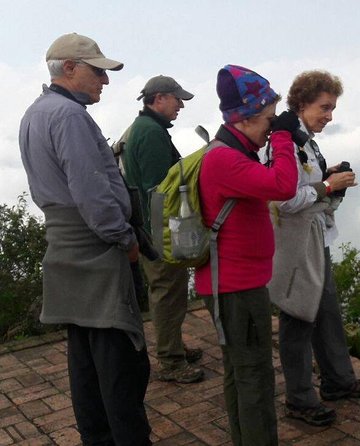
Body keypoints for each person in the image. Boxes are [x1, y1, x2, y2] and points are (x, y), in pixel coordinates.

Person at [18, 33, 151, 445]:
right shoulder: (70, 116)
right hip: (97, 249)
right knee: (121, 368)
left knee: (86, 365)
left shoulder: (35, 113)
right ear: (70, 68)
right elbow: (93, 194)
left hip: (63, 250)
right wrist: (125, 240)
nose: (105, 82)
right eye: (98, 72)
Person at [194, 64, 299, 446]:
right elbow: (283, 185)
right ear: (247, 118)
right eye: (268, 120)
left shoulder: (235, 152)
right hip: (236, 288)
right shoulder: (225, 159)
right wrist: (285, 137)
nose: (271, 127)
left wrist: (277, 135)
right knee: (253, 376)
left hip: (235, 283)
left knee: (241, 373)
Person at [268, 70, 360, 427]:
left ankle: (337, 381)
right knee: (298, 318)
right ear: (301, 103)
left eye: (332, 108)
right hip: (296, 245)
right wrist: (328, 186)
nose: (329, 116)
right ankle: (299, 398)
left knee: (326, 311)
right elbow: (283, 200)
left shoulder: (306, 140)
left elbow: (309, 188)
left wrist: (330, 181)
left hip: (316, 239)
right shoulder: (282, 143)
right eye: (324, 107)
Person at [122, 75, 205, 383]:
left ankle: (174, 345)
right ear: (158, 99)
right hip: (159, 229)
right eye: (176, 99)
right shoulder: (151, 133)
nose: (180, 105)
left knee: (169, 289)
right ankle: (171, 360)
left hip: (152, 226)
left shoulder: (145, 128)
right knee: (168, 291)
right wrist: (166, 236)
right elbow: (160, 188)